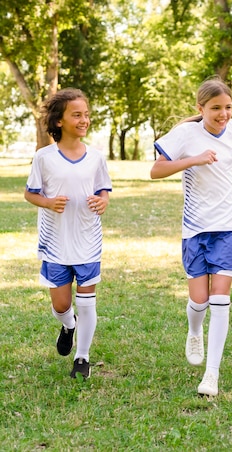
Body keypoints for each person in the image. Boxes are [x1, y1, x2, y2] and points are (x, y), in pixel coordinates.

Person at [150, 77, 232, 397]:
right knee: (199, 301)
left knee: (220, 299)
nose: (224, 115)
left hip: (228, 226)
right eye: (216, 109)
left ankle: (211, 374)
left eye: (228, 108)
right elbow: (156, 170)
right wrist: (193, 160)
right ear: (201, 108)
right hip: (195, 229)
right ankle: (194, 331)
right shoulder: (185, 134)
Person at [24, 88, 112, 379]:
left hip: (88, 239)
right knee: (61, 304)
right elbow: (30, 193)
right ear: (59, 121)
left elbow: (103, 190)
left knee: (88, 300)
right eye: (77, 115)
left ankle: (82, 357)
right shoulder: (44, 157)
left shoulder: (96, 157)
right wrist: (48, 202)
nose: (84, 120)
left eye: (86, 114)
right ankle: (68, 325)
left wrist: (102, 200)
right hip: (56, 243)